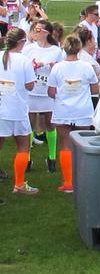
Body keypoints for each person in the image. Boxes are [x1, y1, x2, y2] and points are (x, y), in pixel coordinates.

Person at [47, 35, 99, 193]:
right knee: (82, 146)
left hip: (63, 110)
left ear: (64, 48)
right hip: (82, 111)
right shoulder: (87, 67)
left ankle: (68, 182)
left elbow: (51, 92)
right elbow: (95, 89)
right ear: (79, 48)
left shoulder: (57, 68)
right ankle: (82, 180)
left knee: (65, 145)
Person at [23, 20, 64, 172]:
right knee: (29, 124)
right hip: (32, 91)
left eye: (39, 29)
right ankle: (27, 159)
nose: (35, 31)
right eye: (35, 29)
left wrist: (53, 67)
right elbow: (23, 66)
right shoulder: (28, 48)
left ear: (47, 33)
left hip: (47, 92)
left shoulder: (56, 50)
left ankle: (52, 158)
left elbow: (61, 70)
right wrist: (32, 66)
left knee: (50, 123)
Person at [0, 29, 37, 194]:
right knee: (23, 146)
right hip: (17, 109)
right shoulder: (24, 60)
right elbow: (30, 85)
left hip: (2, 108)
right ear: (21, 42)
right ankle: (19, 185)